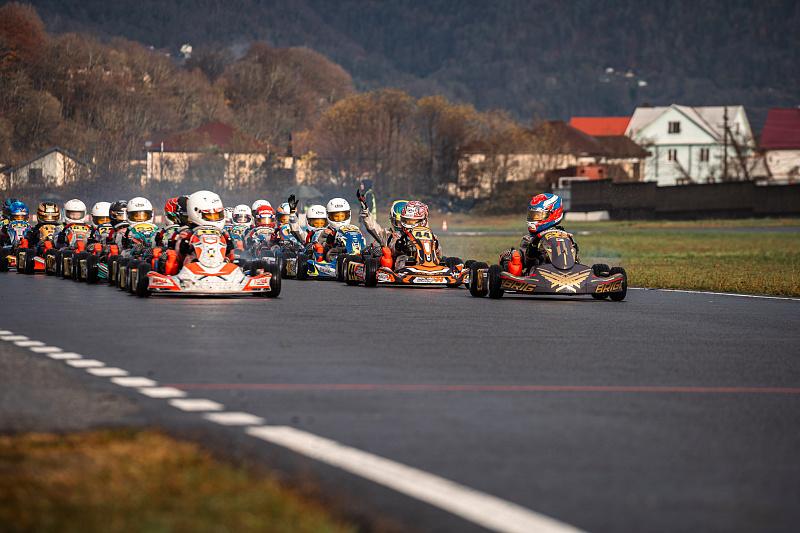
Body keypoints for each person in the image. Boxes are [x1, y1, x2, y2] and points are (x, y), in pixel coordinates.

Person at [497, 193, 577, 276]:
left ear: (553, 214)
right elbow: (527, 260)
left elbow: (576, 260)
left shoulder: (566, 236)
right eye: (532, 215)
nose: (533, 219)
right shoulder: (529, 239)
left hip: (567, 274)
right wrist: (534, 247)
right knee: (511, 255)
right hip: (538, 273)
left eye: (537, 215)